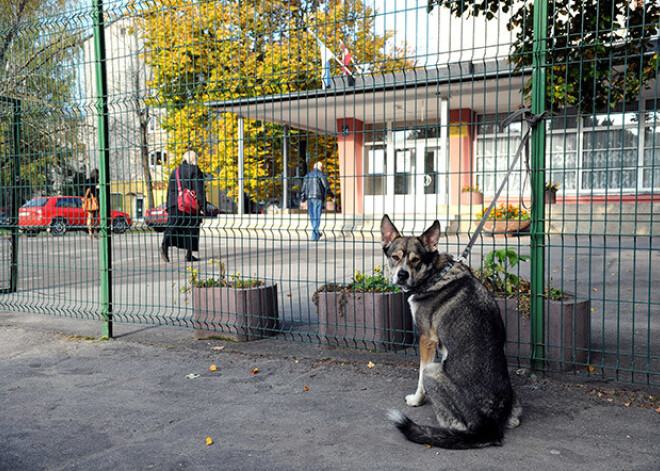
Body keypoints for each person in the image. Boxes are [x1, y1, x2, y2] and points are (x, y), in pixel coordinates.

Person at [160, 150, 206, 262]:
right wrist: (202, 206)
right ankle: (189, 254)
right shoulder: (195, 170)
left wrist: (168, 205)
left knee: (173, 225)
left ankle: (164, 246)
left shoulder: (175, 171)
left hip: (174, 203)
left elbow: (170, 189)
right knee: (192, 227)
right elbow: (199, 189)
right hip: (189, 204)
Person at [300, 161, 334, 241]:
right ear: (320, 167)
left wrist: (302, 200)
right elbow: (326, 186)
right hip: (318, 197)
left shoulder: (307, 175)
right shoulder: (320, 174)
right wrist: (332, 195)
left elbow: (303, 189)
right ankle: (314, 235)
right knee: (317, 216)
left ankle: (316, 233)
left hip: (309, 198)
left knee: (312, 216)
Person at [84, 169, 99, 238]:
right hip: (93, 200)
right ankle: (94, 232)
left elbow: (85, 190)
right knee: (93, 217)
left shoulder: (87, 180)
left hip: (89, 200)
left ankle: (91, 232)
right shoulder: (95, 181)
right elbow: (93, 190)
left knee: (90, 217)